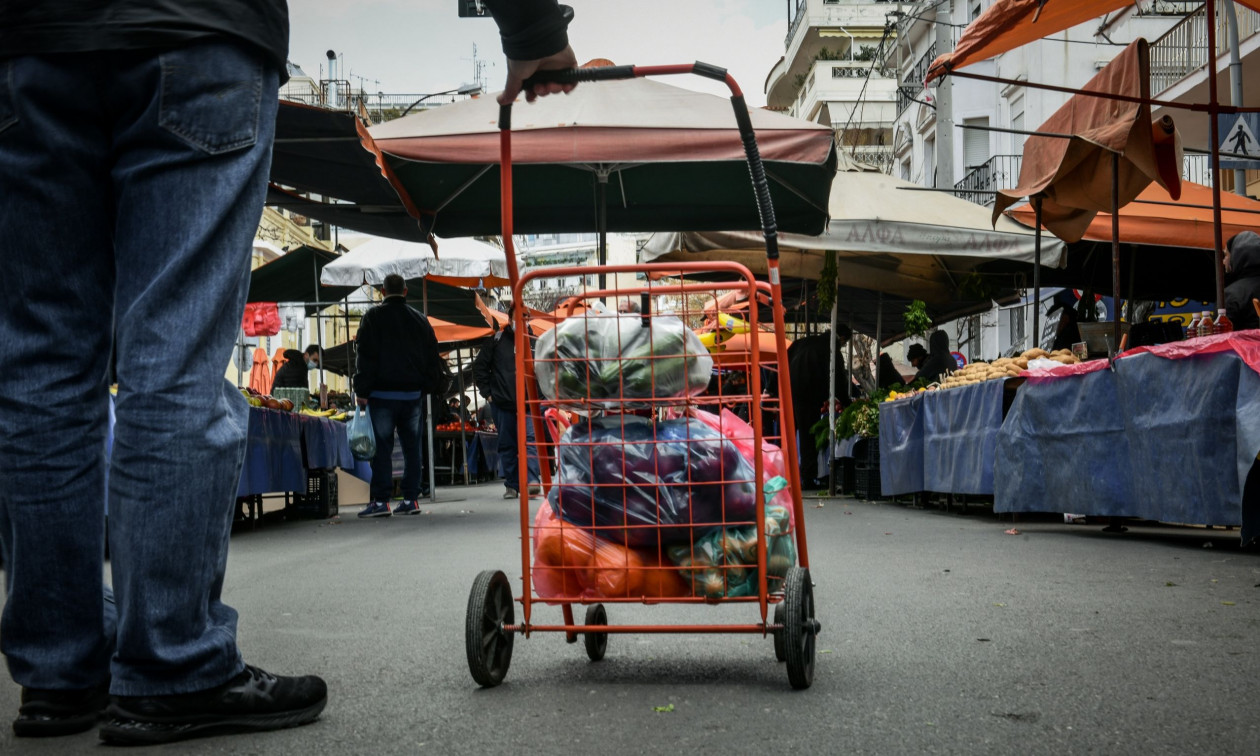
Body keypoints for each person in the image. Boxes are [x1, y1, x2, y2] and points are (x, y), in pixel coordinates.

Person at [0, 0, 577, 743]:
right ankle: (173, 664)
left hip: (28, 43)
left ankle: (57, 674)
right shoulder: (408, 322)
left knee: (42, 361)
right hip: (196, 33)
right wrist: (532, 27)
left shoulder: (377, 323)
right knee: (172, 353)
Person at [354, 274, 444, 517]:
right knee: (412, 448)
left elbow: (365, 356)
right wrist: (425, 387)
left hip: (381, 394)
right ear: (405, 292)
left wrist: (362, 390)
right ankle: (411, 499)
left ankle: (381, 501)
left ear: (383, 292)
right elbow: (432, 357)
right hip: (412, 395)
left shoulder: (372, 317)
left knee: (382, 449)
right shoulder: (420, 320)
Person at [473, 303, 542, 499]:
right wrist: (488, 394)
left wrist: (542, 397)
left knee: (531, 441)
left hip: (529, 404)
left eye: (524, 317)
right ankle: (512, 485)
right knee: (507, 444)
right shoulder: (496, 341)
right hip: (503, 403)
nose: (520, 321)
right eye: (517, 317)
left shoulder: (536, 343)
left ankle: (532, 481)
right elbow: (480, 368)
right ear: (510, 319)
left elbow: (545, 371)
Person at [786, 326, 852, 488]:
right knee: (808, 438)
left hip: (789, 394)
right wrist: (846, 403)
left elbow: (780, 362)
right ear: (842, 339)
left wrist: (771, 389)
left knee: (788, 437)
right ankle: (808, 479)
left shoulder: (801, 343)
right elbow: (839, 379)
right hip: (809, 397)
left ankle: (785, 475)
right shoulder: (832, 350)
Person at [1225, 230, 1260, 331]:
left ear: (1237, 256)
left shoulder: (1232, 293)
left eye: (1226, 255)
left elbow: (1222, 335)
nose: (1224, 261)